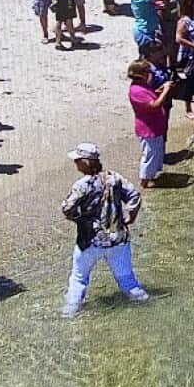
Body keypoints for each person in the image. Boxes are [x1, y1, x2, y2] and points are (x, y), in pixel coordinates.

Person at [60, 143, 149, 317]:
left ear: (85, 163)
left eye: (77, 160)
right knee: (128, 281)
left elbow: (67, 208)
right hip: (118, 239)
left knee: (79, 279)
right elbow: (134, 195)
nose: (75, 164)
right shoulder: (114, 178)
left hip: (90, 241)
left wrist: (79, 219)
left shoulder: (82, 185)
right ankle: (146, 307)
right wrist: (130, 216)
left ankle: (69, 314)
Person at [128, 59, 174, 188]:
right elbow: (154, 105)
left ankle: (152, 175)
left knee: (157, 151)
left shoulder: (143, 86)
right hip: (148, 128)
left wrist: (160, 90)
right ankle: (145, 180)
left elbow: (152, 96)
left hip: (156, 125)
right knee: (150, 154)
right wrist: (165, 91)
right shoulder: (137, 90)